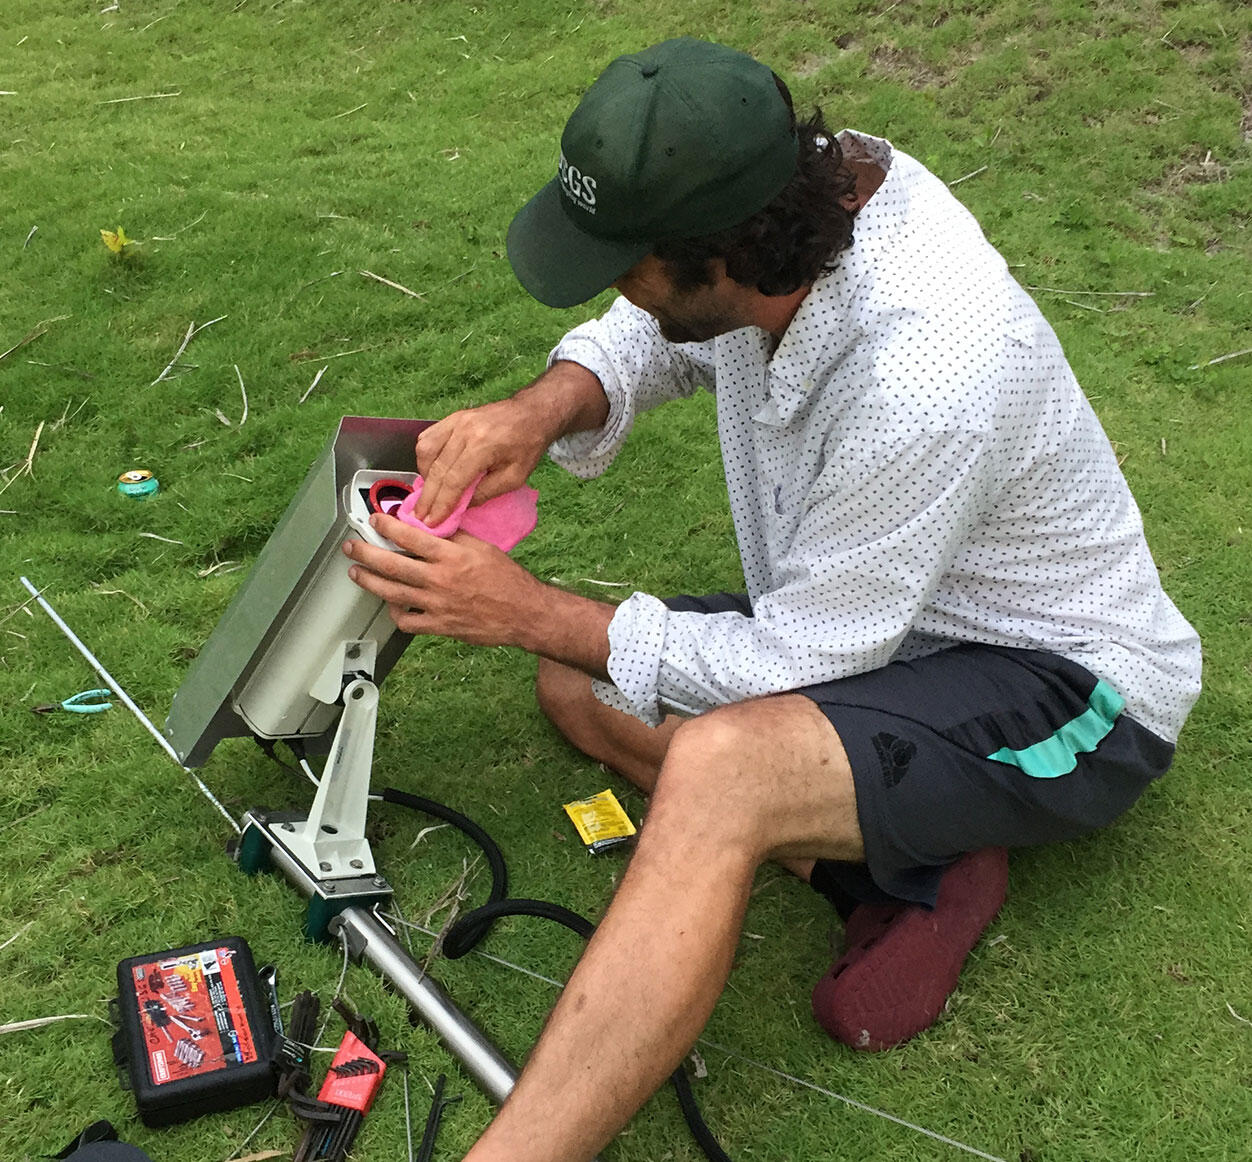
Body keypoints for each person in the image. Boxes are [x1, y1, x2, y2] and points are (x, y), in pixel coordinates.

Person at [342, 37, 1201, 1162]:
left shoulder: (926, 373)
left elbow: (801, 658)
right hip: (890, 629)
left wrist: (524, 607)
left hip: (1064, 683)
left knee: (713, 761)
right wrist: (538, 410)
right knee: (579, 680)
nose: (615, 287)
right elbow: (663, 337)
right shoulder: (798, 216)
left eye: (627, 263)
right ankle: (906, 858)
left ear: (726, 256)